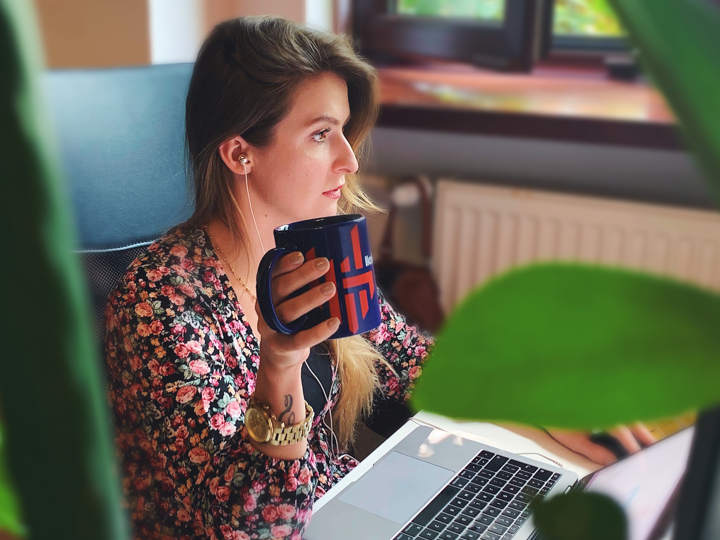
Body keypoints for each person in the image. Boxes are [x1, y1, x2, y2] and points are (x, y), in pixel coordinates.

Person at [104, 16, 654, 540]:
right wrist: (279, 366)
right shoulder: (161, 304)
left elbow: (409, 357)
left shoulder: (312, 251)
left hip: (341, 506)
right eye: (321, 134)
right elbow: (251, 527)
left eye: (344, 131)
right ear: (240, 154)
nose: (349, 161)